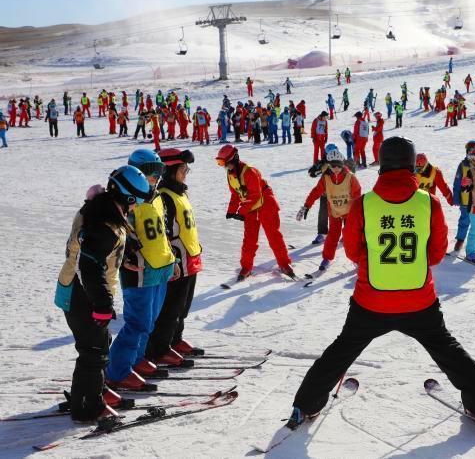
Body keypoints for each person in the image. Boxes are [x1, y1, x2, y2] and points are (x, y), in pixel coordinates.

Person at [285, 137, 475, 431]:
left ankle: (305, 405)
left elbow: (352, 252)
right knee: (449, 352)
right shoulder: (429, 202)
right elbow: (437, 253)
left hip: (371, 301)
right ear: (412, 165)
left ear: (382, 165)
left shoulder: (364, 204)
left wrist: (377, 264)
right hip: (419, 301)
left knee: (341, 352)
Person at [55, 166, 151, 421]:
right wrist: (102, 303)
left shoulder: (102, 209)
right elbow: (89, 265)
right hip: (81, 293)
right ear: (128, 198)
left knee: (98, 345)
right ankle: (87, 408)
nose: (136, 207)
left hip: (81, 289)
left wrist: (124, 257)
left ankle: (91, 394)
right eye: (137, 201)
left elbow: (103, 248)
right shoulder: (104, 224)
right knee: (93, 351)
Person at [105, 150, 180, 390]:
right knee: (137, 323)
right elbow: (117, 233)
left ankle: (135, 360)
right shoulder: (130, 200)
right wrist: (126, 254)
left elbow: (162, 232)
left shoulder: (156, 197)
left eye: (158, 173)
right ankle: (117, 371)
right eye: (151, 173)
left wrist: (172, 260)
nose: (155, 178)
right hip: (140, 269)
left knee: (150, 321)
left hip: (161, 266)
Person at [145, 148, 204, 359]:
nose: (185, 172)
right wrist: (175, 260)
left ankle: (175, 339)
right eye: (182, 169)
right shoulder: (165, 197)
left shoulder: (180, 193)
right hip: (178, 260)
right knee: (171, 307)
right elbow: (165, 234)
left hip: (191, 258)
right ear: (170, 171)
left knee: (183, 306)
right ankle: (160, 347)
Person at [216, 145, 295, 281]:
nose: (224, 167)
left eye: (225, 163)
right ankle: (246, 267)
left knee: (274, 236)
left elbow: (256, 195)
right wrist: (231, 210)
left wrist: (241, 211)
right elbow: (236, 195)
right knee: (249, 239)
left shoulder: (249, 172)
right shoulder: (230, 176)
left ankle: (284, 264)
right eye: (221, 163)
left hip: (265, 204)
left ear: (234, 159)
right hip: (250, 207)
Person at [297, 147, 362, 271]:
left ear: (342, 165)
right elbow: (316, 192)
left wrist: (357, 211)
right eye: (333, 166)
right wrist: (307, 206)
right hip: (334, 211)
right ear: (329, 166)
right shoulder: (326, 178)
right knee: (332, 236)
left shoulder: (351, 177)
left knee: (351, 236)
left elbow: (357, 195)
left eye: (338, 166)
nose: (336, 169)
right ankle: (327, 258)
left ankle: (357, 259)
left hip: (349, 212)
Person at [452, 141, 475, 252]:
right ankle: (460, 239)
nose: (472, 154)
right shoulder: (463, 165)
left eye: (474, 152)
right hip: (466, 199)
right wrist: (456, 197)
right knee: (464, 220)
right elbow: (457, 181)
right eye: (470, 152)